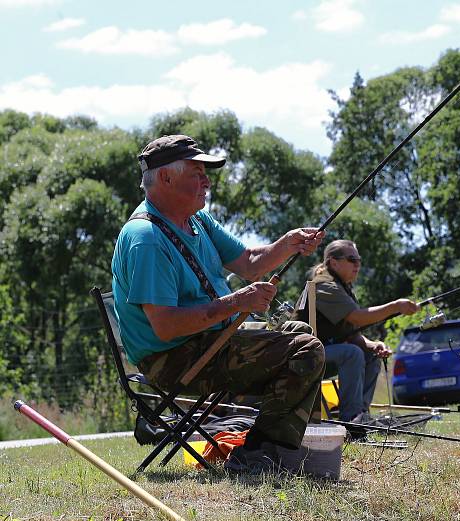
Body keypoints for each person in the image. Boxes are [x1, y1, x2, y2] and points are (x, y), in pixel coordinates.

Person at [112, 134, 326, 475]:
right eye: (198, 173)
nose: (207, 182)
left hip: (209, 342)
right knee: (305, 350)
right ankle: (259, 456)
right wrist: (238, 301)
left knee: (299, 331)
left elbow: (250, 262)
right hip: (175, 358)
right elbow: (166, 326)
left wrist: (288, 244)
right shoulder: (146, 239)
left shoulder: (196, 220)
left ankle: (290, 448)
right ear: (166, 177)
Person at [295, 240, 419, 423]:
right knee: (352, 353)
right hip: (302, 356)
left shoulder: (342, 287)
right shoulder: (325, 286)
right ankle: (350, 419)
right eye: (352, 259)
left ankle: (361, 416)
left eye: (359, 260)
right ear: (333, 262)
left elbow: (352, 333)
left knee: (371, 355)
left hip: (323, 353)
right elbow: (357, 317)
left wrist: (374, 345)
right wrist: (396, 306)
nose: (357, 264)